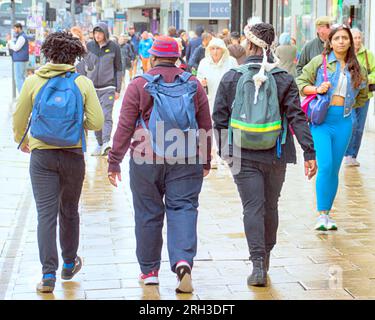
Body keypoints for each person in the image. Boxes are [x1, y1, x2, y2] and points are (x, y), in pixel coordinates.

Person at [213, 22, 317, 287]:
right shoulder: (283, 77)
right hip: (276, 153)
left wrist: (226, 152)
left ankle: (257, 265)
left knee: (252, 207)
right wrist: (309, 152)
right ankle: (266, 257)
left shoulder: (232, 76)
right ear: (270, 46)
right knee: (270, 206)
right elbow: (297, 117)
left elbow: (219, 118)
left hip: (242, 155)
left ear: (249, 45)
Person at [107, 36, 212, 293]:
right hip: (186, 158)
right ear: (178, 57)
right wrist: (206, 159)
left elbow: (124, 126)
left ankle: (150, 271)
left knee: (147, 214)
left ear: (152, 57)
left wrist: (114, 161)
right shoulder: (193, 84)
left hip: (146, 158)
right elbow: (205, 125)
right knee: (184, 208)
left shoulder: (139, 85)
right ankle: (183, 262)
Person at [12, 31, 104, 293]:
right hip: (73, 155)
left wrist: (23, 140)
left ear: (46, 53)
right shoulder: (82, 83)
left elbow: (19, 118)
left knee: (45, 215)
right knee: (70, 210)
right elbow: (97, 122)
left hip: (42, 156)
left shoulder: (32, 82)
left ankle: (48, 274)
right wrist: (75, 126)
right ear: (75, 55)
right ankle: (68, 263)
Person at [297, 24, 368, 231]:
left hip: (344, 123)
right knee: (325, 166)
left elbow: (362, 95)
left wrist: (349, 106)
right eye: (337, 38)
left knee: (334, 170)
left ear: (350, 42)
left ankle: (327, 215)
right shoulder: (320, 62)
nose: (341, 42)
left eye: (345, 38)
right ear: (330, 41)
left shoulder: (357, 67)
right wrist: (317, 88)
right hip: (322, 122)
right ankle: (320, 215)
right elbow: (300, 82)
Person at [197, 37, 238, 168]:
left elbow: (238, 78)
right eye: (212, 49)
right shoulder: (204, 63)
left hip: (227, 101)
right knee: (210, 126)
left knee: (225, 126)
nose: (215, 52)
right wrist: (201, 82)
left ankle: (226, 154)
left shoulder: (231, 62)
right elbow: (198, 80)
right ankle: (212, 155)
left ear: (223, 50)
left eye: (218, 49)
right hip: (209, 99)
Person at [84, 22, 122, 156]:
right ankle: (100, 144)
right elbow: (85, 66)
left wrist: (118, 88)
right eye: (95, 33)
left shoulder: (114, 47)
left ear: (105, 33)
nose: (97, 35)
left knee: (106, 115)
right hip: (92, 88)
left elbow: (119, 68)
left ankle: (106, 143)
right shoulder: (89, 46)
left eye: (100, 33)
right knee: (95, 118)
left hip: (109, 87)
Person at [344, 28, 375, 167]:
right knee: (352, 124)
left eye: (359, 37)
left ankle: (353, 155)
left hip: (364, 95)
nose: (357, 40)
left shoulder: (368, 54)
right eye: (354, 37)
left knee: (360, 127)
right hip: (348, 96)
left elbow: (374, 72)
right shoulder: (345, 54)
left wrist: (365, 80)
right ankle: (347, 153)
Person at [6, 23, 29, 94]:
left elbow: (16, 48)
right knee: (22, 78)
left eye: (15, 28)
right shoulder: (20, 36)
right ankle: (24, 95)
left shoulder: (22, 37)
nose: (14, 30)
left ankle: (22, 96)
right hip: (21, 60)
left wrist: (9, 40)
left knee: (19, 79)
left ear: (19, 28)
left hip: (20, 60)